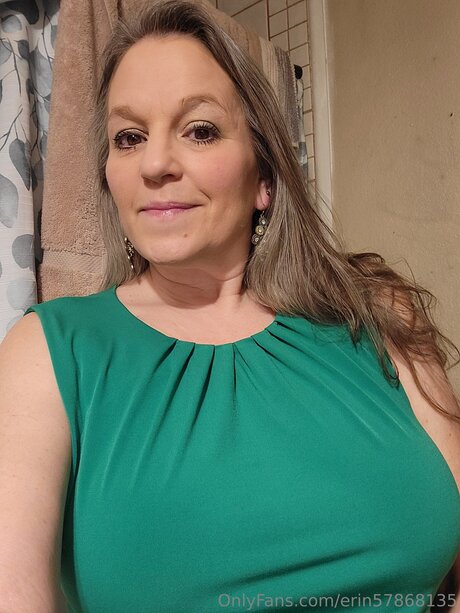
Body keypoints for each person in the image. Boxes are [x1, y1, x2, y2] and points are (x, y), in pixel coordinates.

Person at [0, 0, 459, 611]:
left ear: (264, 176)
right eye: (129, 137)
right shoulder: (50, 354)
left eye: (200, 130)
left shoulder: (379, 314)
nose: (155, 164)